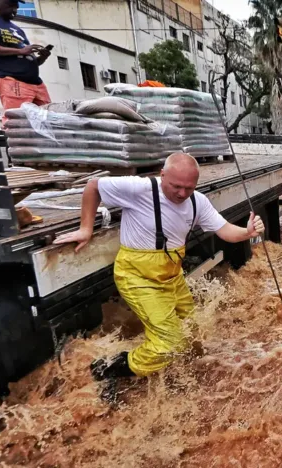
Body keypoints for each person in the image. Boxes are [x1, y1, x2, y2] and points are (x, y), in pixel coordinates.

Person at [53, 153, 264, 400]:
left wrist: (247, 232)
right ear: (162, 175)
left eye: (189, 188)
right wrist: (85, 228)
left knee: (192, 332)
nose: (182, 193)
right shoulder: (140, 189)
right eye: (176, 186)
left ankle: (177, 377)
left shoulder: (198, 202)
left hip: (171, 275)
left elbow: (225, 230)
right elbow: (94, 186)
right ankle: (107, 369)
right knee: (170, 342)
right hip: (137, 275)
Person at [0, 0, 51, 121]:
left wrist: (43, 57)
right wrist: (20, 51)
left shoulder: (17, 29)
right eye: (10, 5)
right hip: (12, 80)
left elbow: (30, 61)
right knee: (17, 121)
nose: (14, 9)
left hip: (37, 83)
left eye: (16, 7)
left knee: (48, 120)